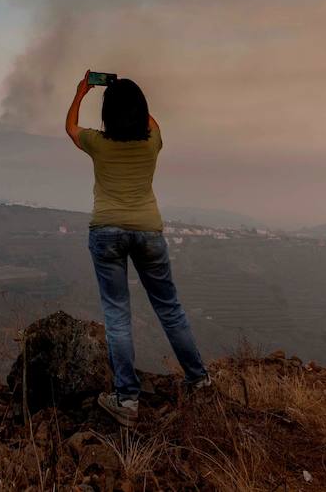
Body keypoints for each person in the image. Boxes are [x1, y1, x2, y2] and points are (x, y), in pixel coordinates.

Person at [65, 70, 211, 426]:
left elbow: (70, 127)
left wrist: (81, 92)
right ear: (141, 109)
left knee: (117, 316)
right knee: (170, 309)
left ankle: (126, 400)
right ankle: (199, 380)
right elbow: (150, 120)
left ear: (109, 115)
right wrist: (133, 97)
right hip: (148, 231)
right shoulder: (152, 142)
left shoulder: (97, 142)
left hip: (106, 232)